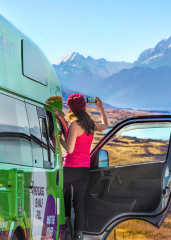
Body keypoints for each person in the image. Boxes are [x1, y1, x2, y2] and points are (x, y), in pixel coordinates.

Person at [59, 93, 108, 240]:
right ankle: (78, 235)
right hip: (84, 170)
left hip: (70, 168)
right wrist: (101, 107)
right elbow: (105, 127)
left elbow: (70, 149)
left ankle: (65, 230)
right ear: (84, 107)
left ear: (71, 109)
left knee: (65, 199)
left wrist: (60, 138)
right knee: (79, 203)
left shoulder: (75, 124)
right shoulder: (90, 123)